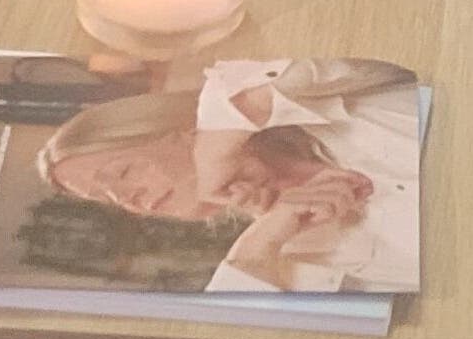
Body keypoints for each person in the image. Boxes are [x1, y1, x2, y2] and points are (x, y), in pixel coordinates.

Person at [35, 58, 419, 293]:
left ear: (180, 130)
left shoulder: (304, 96)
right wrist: (259, 245)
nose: (127, 201)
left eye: (121, 173)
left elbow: (357, 56)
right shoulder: (291, 258)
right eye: (108, 200)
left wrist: (219, 144)